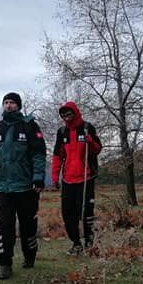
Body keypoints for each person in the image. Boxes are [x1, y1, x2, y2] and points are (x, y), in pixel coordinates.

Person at [0, 92, 47, 280]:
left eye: (12, 102)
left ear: (18, 106)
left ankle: (30, 255)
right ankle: (5, 263)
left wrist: (38, 178)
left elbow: (38, 154)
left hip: (26, 186)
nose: (8, 105)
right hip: (4, 187)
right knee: (5, 225)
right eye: (5, 102)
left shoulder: (29, 126)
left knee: (28, 225)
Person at [51, 101, 103, 255]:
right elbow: (57, 156)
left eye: (69, 113)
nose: (66, 117)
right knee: (68, 214)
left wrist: (90, 142)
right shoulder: (62, 132)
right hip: (68, 179)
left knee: (86, 212)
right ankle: (76, 243)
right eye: (63, 114)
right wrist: (55, 176)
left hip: (86, 178)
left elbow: (98, 149)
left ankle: (89, 242)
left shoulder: (87, 128)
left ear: (75, 112)